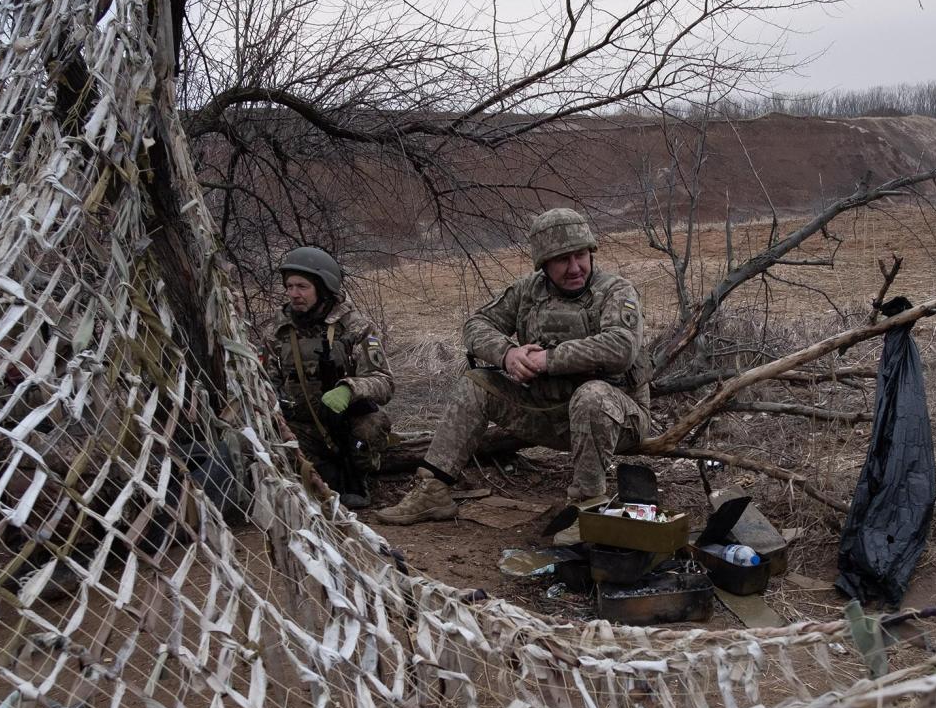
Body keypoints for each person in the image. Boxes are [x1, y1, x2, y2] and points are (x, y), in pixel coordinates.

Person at [375, 208, 651, 525]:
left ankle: (586, 510)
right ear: (544, 264)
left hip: (617, 419)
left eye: (580, 255)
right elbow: (476, 325)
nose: (575, 267)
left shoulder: (616, 291)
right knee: (477, 383)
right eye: (563, 259)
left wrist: (548, 359)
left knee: (592, 396)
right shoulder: (528, 292)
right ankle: (433, 490)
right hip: (546, 413)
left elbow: (620, 348)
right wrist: (508, 355)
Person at [269, 246, 394, 509]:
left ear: (323, 288)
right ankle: (325, 477)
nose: (294, 294)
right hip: (302, 426)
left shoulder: (355, 327)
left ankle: (359, 475)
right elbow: (266, 380)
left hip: (347, 424)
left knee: (371, 425)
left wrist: (349, 389)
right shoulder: (278, 331)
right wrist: (276, 399)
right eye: (289, 286)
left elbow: (384, 381)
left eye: (302, 287)